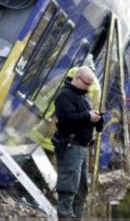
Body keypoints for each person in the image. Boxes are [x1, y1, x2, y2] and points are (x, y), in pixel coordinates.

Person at [52, 66, 104, 218]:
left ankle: (77, 217)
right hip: (70, 145)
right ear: (77, 78)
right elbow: (67, 119)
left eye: (90, 84)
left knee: (81, 188)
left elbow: (84, 118)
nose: (88, 87)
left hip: (82, 147)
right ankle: (65, 216)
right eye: (86, 83)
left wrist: (97, 118)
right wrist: (88, 116)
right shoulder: (65, 96)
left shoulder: (83, 98)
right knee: (68, 186)